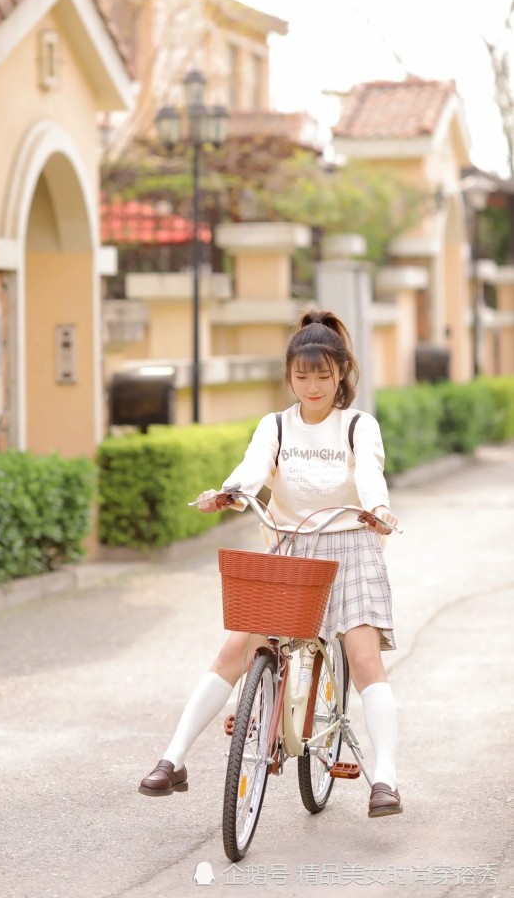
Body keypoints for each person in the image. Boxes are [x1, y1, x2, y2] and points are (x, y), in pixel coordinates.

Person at [138, 309, 402, 818]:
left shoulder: (358, 427)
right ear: (289, 376)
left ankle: (385, 779)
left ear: (342, 373)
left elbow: (370, 477)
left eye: (323, 375)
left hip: (351, 548)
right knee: (236, 648)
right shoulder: (276, 425)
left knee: (366, 658)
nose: (312, 386)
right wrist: (229, 493)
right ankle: (173, 759)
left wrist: (380, 510)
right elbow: (253, 469)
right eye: (302, 376)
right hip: (291, 549)